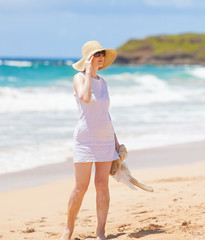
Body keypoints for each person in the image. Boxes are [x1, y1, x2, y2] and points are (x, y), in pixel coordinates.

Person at [60, 41, 120, 240]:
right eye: (96, 54)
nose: (100, 57)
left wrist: (115, 140)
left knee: (102, 184)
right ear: (88, 58)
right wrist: (87, 72)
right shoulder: (78, 78)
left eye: (102, 54)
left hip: (105, 139)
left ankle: (100, 231)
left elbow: (106, 114)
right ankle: (68, 229)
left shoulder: (103, 82)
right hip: (85, 140)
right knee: (81, 187)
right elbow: (85, 98)